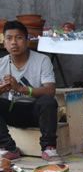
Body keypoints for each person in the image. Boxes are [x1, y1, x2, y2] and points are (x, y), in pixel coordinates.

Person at [0, 21, 59, 161]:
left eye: (19, 38)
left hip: (35, 112)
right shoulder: (1, 63)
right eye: (9, 38)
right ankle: (8, 148)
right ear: (4, 43)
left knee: (48, 101)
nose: (14, 42)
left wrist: (21, 89)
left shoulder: (42, 60)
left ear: (27, 41)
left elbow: (50, 90)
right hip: (12, 110)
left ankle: (48, 148)